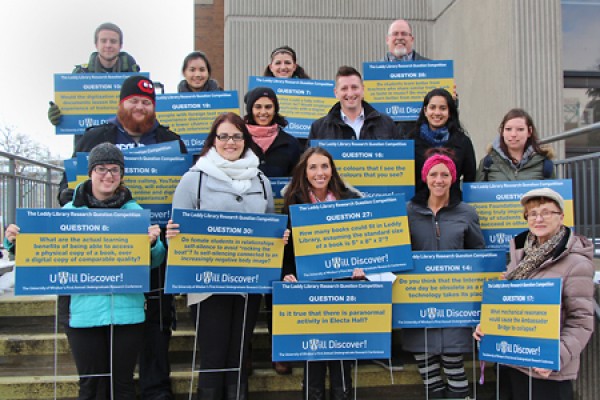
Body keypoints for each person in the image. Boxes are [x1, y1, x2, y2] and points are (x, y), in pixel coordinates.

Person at [57, 75, 187, 400]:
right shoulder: (94, 138)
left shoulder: (171, 140)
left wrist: (158, 240)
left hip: (142, 266)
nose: (140, 107)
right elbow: (64, 190)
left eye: (147, 102)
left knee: (140, 355)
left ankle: (157, 391)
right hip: (88, 287)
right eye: (134, 101)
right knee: (94, 382)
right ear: (121, 104)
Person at [4, 143, 165, 400]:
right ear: (90, 172)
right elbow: (42, 254)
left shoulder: (135, 214)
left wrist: (155, 244)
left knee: (122, 385)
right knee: (90, 386)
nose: (108, 175)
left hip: (127, 312)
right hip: (81, 314)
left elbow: (154, 262)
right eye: (101, 168)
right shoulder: (68, 214)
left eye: (114, 169)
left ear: (122, 174)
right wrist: (14, 242)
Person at [166, 112, 277, 400]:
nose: (231, 142)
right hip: (207, 285)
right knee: (214, 355)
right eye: (224, 136)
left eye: (237, 136)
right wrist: (173, 235)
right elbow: (179, 229)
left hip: (248, 283)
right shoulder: (194, 179)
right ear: (213, 140)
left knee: (239, 353)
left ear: (245, 140)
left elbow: (269, 226)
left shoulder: (261, 180)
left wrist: (279, 238)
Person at [474, 188, 594, 400]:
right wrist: (488, 328)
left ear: (561, 217)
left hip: (545, 374)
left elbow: (581, 321)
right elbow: (509, 306)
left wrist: (555, 357)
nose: (538, 219)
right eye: (532, 213)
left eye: (547, 212)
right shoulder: (520, 256)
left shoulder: (576, 263)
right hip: (511, 363)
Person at [281, 147, 365, 400]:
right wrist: (287, 273)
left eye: (325, 166)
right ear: (304, 172)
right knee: (313, 353)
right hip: (308, 287)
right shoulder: (293, 202)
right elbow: (287, 248)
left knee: (341, 355)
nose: (320, 173)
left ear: (333, 170)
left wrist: (362, 268)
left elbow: (362, 243)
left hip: (342, 286)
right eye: (313, 167)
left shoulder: (349, 199)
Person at [403, 148, 485, 399]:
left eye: (445, 174)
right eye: (434, 174)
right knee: (430, 379)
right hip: (418, 305)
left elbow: (478, 254)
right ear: (425, 178)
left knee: (455, 371)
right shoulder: (408, 212)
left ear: (454, 178)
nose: (439, 180)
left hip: (454, 304)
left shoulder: (466, 213)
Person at [243, 86, 301, 375]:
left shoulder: (291, 143)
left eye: (268, 107)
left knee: (279, 288)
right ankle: (247, 351)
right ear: (250, 109)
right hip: (250, 227)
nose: (263, 112)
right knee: (250, 290)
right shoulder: (238, 140)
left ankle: (281, 350)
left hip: (285, 226)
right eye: (258, 107)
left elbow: (300, 183)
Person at [48, 22, 141, 126]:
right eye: (103, 41)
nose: (108, 45)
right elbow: (69, 109)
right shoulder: (80, 74)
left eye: (113, 41)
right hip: (89, 138)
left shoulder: (134, 75)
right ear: (96, 44)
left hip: (124, 138)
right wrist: (57, 116)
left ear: (120, 45)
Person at [407, 88, 476, 197]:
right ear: (425, 111)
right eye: (432, 107)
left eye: (443, 108)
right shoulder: (411, 141)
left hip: (452, 207)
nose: (437, 112)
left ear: (449, 112)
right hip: (419, 207)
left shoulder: (463, 142)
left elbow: (470, 178)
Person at [307, 66, 400, 142]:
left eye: (354, 87)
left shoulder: (387, 123)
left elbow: (400, 157)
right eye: (344, 88)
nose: (350, 94)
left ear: (363, 90)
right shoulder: (318, 128)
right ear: (336, 93)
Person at [477, 108, 555, 181]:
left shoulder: (545, 164)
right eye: (508, 129)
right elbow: (477, 193)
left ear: (529, 131)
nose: (513, 134)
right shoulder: (487, 163)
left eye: (520, 129)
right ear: (502, 131)